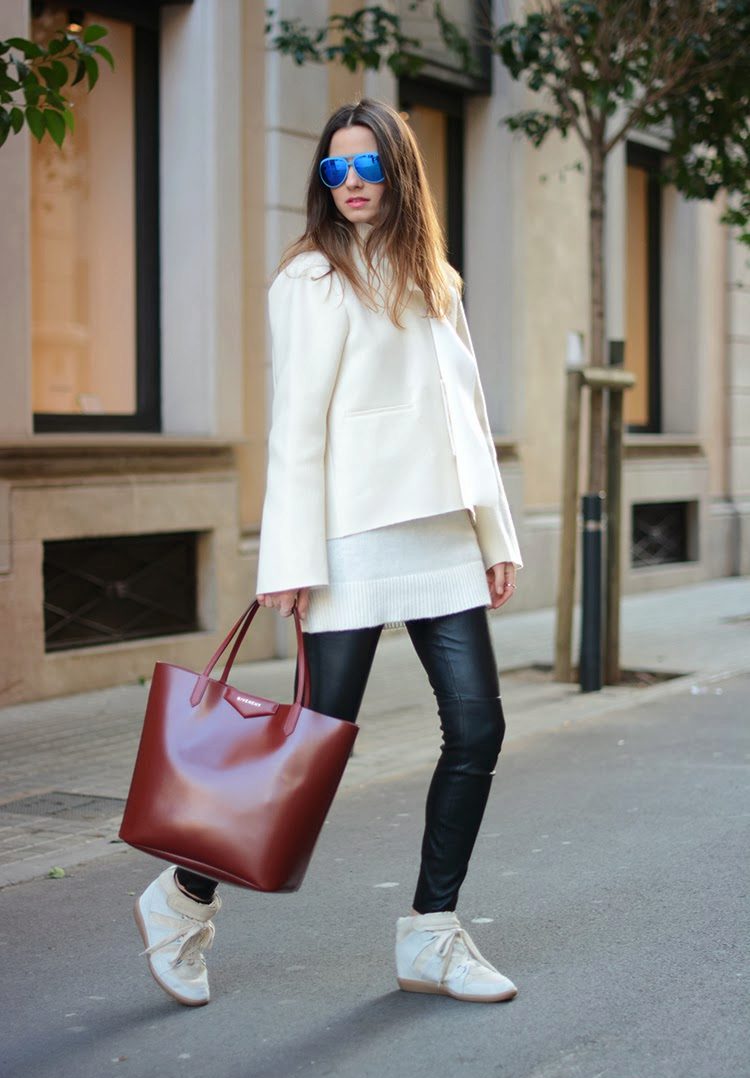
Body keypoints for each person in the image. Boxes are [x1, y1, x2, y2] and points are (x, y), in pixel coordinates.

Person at [134, 97, 523, 1008]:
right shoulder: (311, 278)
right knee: (310, 746)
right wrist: (288, 558)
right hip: (351, 542)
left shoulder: (437, 276)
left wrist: (494, 532)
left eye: (367, 165)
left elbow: (468, 416)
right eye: (334, 168)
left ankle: (432, 932)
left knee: (478, 729)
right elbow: (296, 426)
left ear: (399, 171)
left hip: (442, 536)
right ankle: (182, 898)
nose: (350, 182)